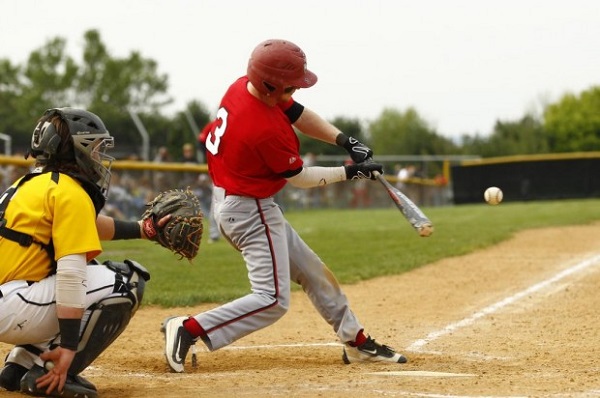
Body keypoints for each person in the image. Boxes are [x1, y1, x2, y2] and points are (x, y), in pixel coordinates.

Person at [161, 39, 406, 373]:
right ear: (269, 84)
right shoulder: (261, 128)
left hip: (240, 200)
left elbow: (297, 112)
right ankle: (190, 328)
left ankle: (356, 341)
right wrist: (352, 172)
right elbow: (301, 177)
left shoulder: (244, 87)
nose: (296, 89)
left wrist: (345, 140)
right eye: (290, 84)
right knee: (272, 299)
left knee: (312, 271)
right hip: (249, 209)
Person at [0, 108, 166, 397]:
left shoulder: (31, 184)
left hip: (11, 300)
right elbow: (70, 276)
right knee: (125, 281)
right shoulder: (70, 192)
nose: (99, 157)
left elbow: (86, 224)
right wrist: (68, 347)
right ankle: (53, 372)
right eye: (95, 148)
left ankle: (19, 367)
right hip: (13, 305)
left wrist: (144, 229)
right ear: (76, 148)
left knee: (87, 276)